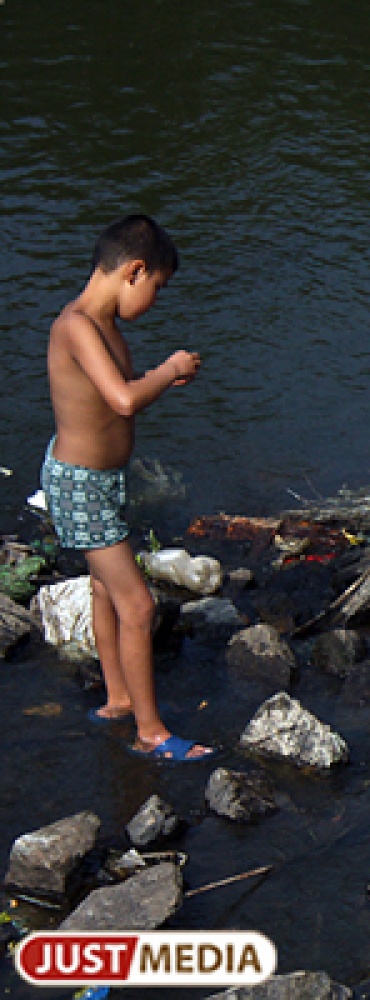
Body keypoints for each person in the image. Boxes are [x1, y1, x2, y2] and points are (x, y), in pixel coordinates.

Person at [42, 214, 216, 761]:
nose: (155, 301)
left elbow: (118, 398)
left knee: (104, 588)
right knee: (138, 606)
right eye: (157, 288)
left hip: (102, 480)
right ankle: (152, 733)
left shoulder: (104, 326)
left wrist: (163, 378)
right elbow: (121, 399)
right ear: (133, 271)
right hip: (80, 485)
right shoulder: (76, 326)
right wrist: (168, 369)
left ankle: (118, 698)